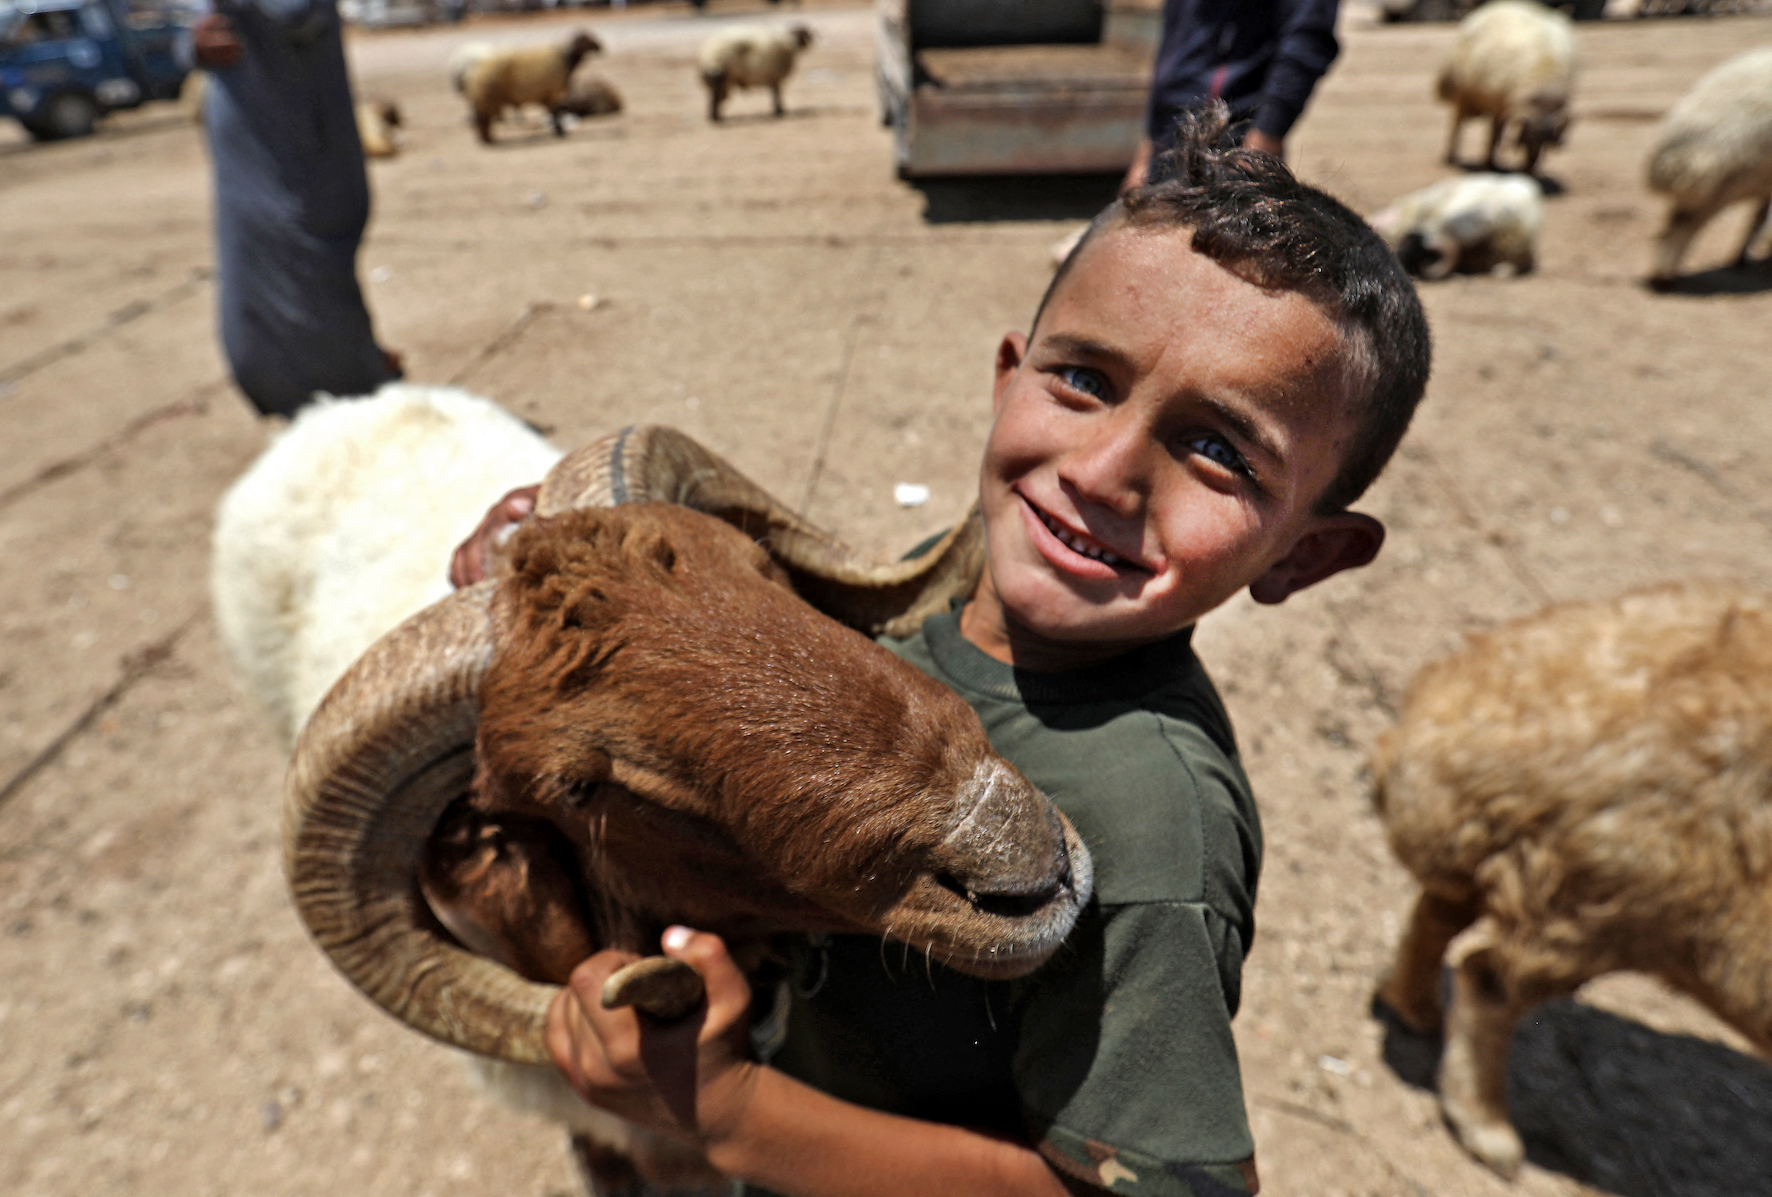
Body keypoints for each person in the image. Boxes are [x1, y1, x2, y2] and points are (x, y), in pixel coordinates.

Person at [452, 103, 1431, 1197]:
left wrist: (730, 1112)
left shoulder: (1151, 830)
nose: (1102, 471)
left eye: (1217, 450)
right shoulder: (953, 574)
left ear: (1303, 556)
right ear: (1006, 376)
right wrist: (553, 580)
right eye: (1083, 380)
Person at [190, 0, 400, 417]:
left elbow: (295, 13)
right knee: (260, 309)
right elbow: (207, 29)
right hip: (254, 163)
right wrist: (196, 43)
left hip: (298, 163)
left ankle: (357, 403)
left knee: (311, 304)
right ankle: (319, 407)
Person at [1124, 0, 1342, 187]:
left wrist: (1262, 142)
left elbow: (1306, 40)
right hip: (1171, 135)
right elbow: (1174, 38)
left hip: (1234, 137)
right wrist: (1149, 144)